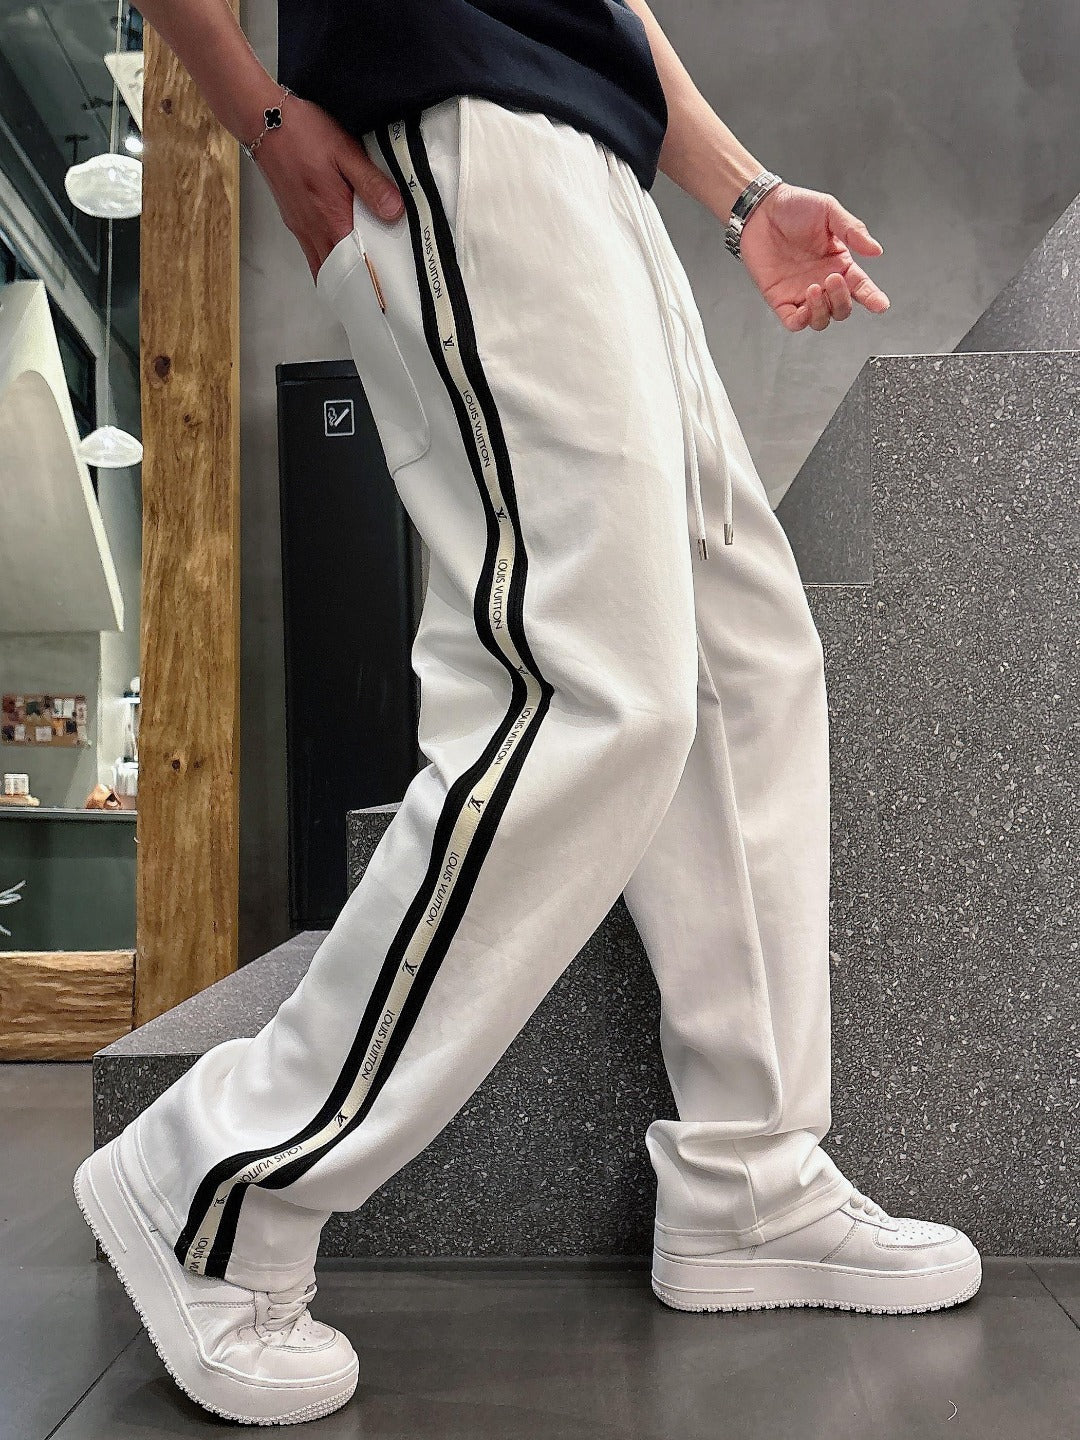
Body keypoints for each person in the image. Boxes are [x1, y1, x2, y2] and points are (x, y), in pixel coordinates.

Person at [74, 0, 982, 1425]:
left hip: (595, 159)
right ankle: (217, 1178)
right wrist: (257, 113)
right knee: (594, 691)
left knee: (745, 668)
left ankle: (747, 1179)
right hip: (450, 124)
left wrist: (741, 194)